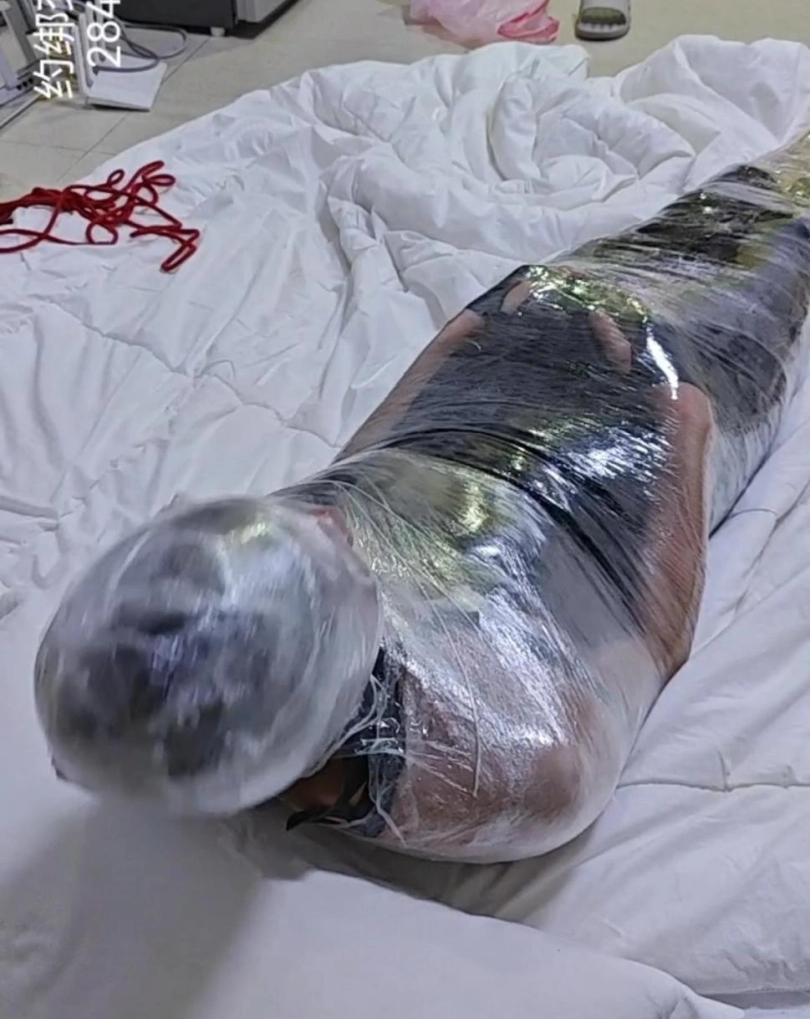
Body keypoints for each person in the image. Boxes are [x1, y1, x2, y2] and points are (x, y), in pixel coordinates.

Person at [35, 139, 810, 863]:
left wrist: (465, 332)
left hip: (494, 389)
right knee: (779, 252)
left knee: (677, 231)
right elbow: (655, 637)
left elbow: (359, 475)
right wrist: (677, 407)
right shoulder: (523, 764)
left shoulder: (205, 650)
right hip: (640, 445)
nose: (328, 522)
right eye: (327, 560)